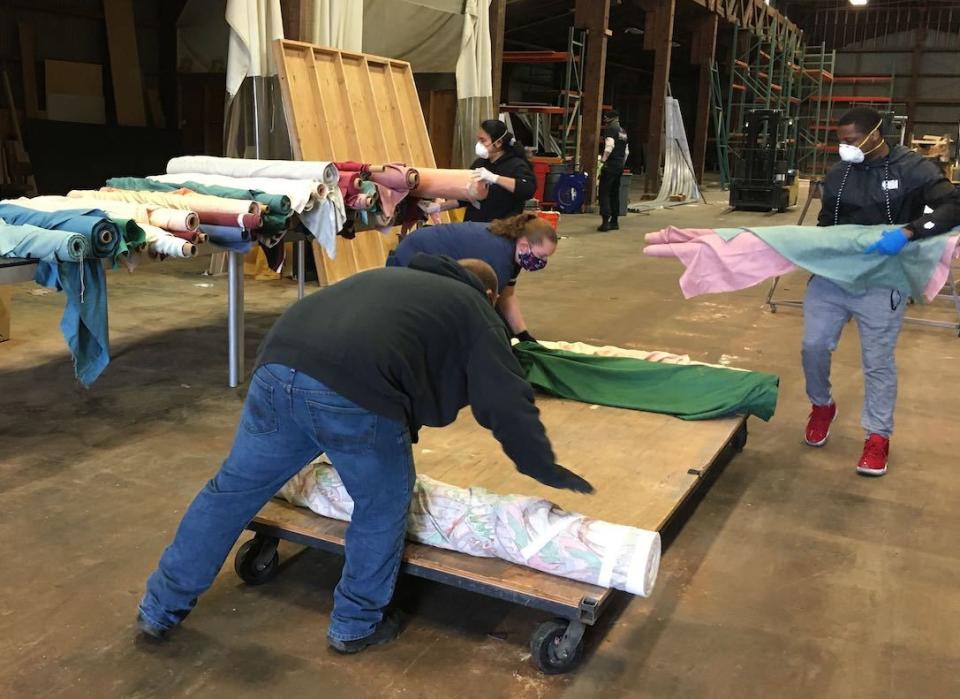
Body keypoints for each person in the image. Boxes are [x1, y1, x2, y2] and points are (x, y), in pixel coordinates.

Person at [136, 254, 592, 653]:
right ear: (490, 293)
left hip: (278, 365)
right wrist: (542, 465)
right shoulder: (475, 308)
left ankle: (159, 608)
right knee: (380, 507)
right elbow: (506, 400)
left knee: (230, 492)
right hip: (354, 392)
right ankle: (355, 625)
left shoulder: (389, 276)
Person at [805, 107, 960, 476]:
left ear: (875, 135)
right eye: (840, 141)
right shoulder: (841, 171)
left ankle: (878, 436)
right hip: (835, 277)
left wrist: (910, 232)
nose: (844, 147)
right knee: (813, 347)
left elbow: (953, 204)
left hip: (882, 279)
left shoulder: (913, 168)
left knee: (877, 361)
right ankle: (821, 405)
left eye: (850, 140)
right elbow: (827, 221)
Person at [388, 213, 558, 342]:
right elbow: (481, 308)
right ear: (523, 245)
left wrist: (523, 335)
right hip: (413, 256)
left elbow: (507, 295)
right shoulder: (499, 258)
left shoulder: (514, 250)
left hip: (424, 249)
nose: (543, 262)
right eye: (541, 256)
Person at [426, 119, 536, 223]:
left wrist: (494, 178)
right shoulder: (480, 163)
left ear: (498, 143)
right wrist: (439, 207)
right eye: (478, 139)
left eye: (483, 140)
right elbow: (466, 196)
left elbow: (527, 188)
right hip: (473, 225)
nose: (479, 144)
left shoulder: (516, 165)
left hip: (501, 228)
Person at [597, 110, 630, 232]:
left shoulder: (611, 129)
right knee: (615, 193)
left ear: (608, 119)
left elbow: (609, 146)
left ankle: (605, 222)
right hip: (619, 166)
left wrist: (603, 160)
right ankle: (614, 221)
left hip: (610, 165)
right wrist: (621, 163)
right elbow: (626, 152)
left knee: (604, 192)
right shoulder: (623, 131)